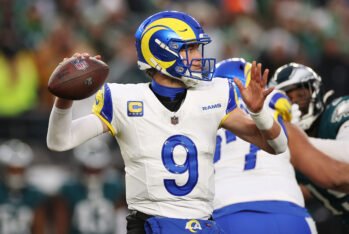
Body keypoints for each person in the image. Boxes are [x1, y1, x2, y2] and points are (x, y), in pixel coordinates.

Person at [46, 11, 288, 234]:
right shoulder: (123, 99)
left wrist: (259, 113)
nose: (197, 57)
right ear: (161, 51)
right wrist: (65, 98)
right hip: (150, 223)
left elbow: (276, 146)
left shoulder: (215, 94)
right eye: (189, 49)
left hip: (201, 224)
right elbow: (60, 140)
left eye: (197, 48)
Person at [270, 63, 349, 233]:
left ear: (316, 92)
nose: (295, 104)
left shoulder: (339, 111)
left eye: (301, 95)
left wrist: (291, 141)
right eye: (287, 99)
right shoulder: (287, 151)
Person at [53, 138, 125, 234]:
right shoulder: (69, 188)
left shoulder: (115, 187)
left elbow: (122, 222)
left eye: (97, 170)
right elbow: (61, 223)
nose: (92, 175)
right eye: (88, 169)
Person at [0, 139, 47, 234]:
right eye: (12, 170)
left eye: (19, 170)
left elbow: (38, 228)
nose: (15, 175)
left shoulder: (34, 194)